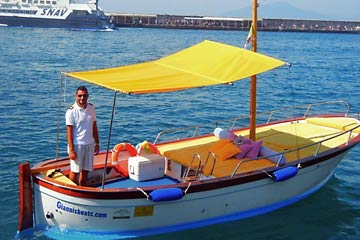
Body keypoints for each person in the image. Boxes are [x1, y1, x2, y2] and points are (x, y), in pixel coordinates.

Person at [66, 86, 100, 186]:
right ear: (75, 96)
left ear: (87, 96)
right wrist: (71, 150)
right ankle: (70, 190)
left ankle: (82, 187)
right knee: (75, 170)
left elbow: (94, 126)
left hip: (89, 144)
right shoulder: (71, 111)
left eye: (84, 96)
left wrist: (97, 143)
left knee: (86, 171)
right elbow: (69, 132)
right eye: (80, 96)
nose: (82, 98)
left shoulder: (91, 108)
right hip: (77, 145)